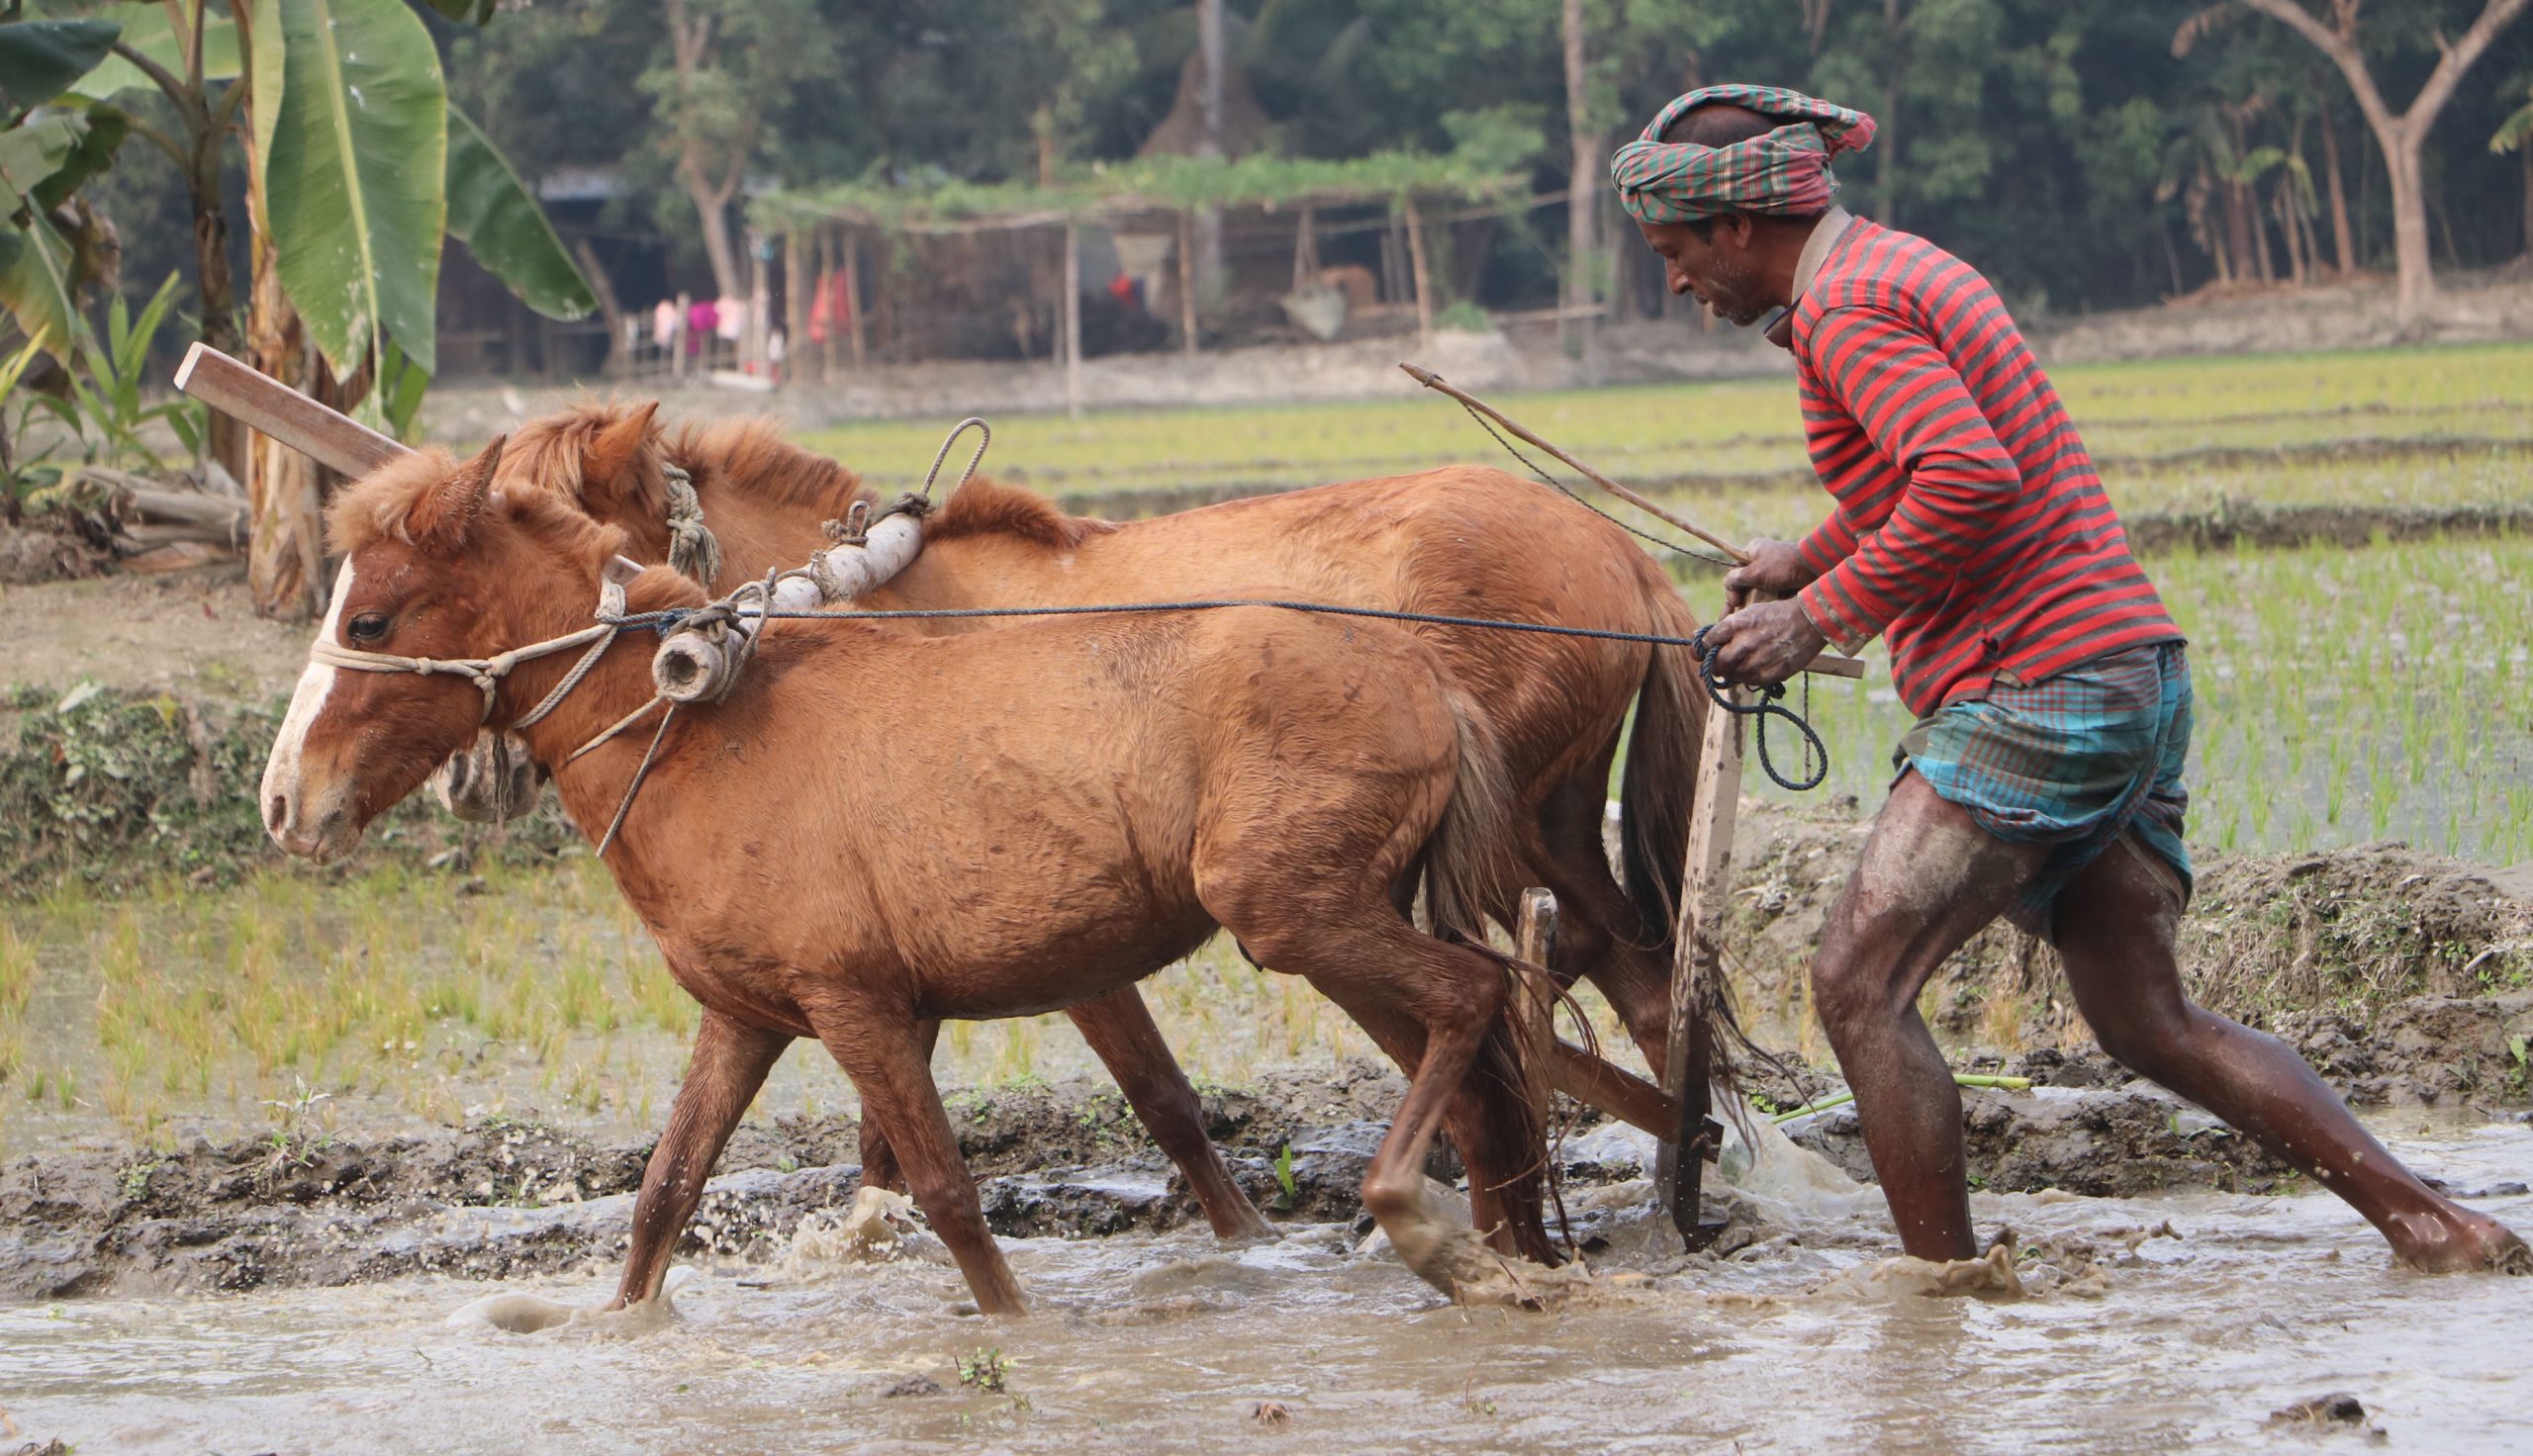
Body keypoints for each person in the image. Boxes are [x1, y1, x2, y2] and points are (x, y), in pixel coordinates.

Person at [1613, 84, 2527, 1274]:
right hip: (2126, 674)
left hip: (2037, 692)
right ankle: (2435, 1223)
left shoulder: (1845, 312)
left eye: (1675, 252)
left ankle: (1941, 1291)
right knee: (2149, 1020)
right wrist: (1813, 552)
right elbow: (1933, 465)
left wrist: (1816, 616)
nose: (1678, 284)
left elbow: (1967, 480)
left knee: (1854, 983)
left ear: (1736, 227)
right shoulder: (1895, 269)